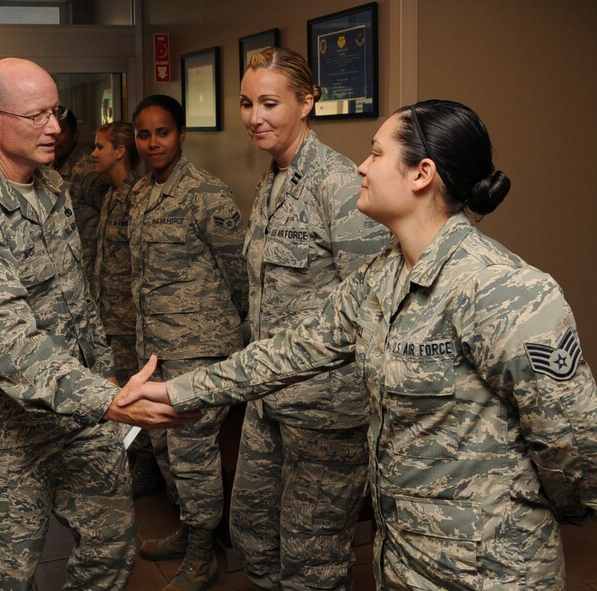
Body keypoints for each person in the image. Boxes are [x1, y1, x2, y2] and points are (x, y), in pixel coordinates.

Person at [122, 98, 597, 590]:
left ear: (421, 173)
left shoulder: (502, 290)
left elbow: (578, 448)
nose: (361, 166)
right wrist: (177, 391)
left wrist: (525, 515)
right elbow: (291, 350)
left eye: (377, 153)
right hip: (402, 556)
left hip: (488, 567)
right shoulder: (380, 277)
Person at [0, 57, 194, 590]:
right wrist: (107, 399)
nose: (54, 127)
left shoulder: (51, 187)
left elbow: (79, 298)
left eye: (55, 112)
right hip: (8, 434)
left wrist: (105, 379)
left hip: (81, 419)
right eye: (37, 116)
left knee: (112, 550)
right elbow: (8, 342)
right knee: (9, 576)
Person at [206, 47, 389, 591]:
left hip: (326, 413)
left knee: (313, 558)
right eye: (245, 104)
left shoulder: (338, 185)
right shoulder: (273, 180)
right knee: (254, 533)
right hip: (268, 400)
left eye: (269, 103)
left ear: (307, 102)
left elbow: (371, 309)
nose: (254, 118)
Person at [129, 94, 249, 591]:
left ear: (181, 135)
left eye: (162, 132)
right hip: (156, 345)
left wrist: (233, 338)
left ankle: (203, 555)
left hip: (200, 350)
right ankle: (186, 528)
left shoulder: (206, 194)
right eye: (143, 134)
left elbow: (239, 273)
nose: (152, 142)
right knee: (165, 446)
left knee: (193, 452)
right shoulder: (140, 193)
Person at [90, 121, 163, 496]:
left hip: (131, 318)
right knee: (117, 392)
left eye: (100, 147)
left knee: (134, 394)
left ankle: (145, 471)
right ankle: (132, 464)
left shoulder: (137, 195)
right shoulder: (111, 194)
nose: (93, 154)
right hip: (111, 315)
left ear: (120, 152)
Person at [54, 107, 110, 283]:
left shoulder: (88, 172)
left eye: (61, 131)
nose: (55, 138)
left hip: (87, 274)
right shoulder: (47, 172)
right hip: (60, 271)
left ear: (75, 135)